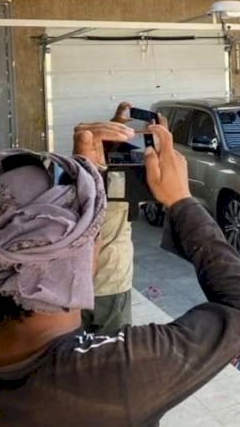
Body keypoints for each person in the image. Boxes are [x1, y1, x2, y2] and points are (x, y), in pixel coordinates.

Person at [0, 121, 240, 426]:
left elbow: (22, 257)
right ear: (76, 258)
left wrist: (87, 176)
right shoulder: (112, 376)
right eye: (94, 232)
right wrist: (182, 201)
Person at [81, 102, 138, 333]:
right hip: (111, 283)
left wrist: (117, 121)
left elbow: (101, 150)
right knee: (113, 348)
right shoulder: (120, 184)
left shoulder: (72, 181)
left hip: (76, 285)